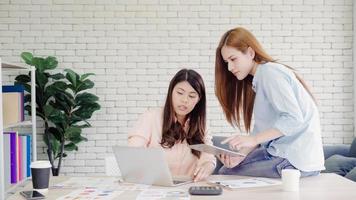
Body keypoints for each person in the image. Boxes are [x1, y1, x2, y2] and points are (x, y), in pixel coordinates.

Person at [214, 27, 325, 178]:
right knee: (227, 170)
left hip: (293, 161)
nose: (229, 67)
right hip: (297, 160)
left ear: (250, 53)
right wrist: (240, 155)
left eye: (233, 59)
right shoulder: (261, 79)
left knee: (225, 175)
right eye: (227, 62)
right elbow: (261, 131)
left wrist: (252, 140)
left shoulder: (269, 73)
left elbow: (293, 119)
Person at [128, 69, 216, 182]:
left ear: (199, 100)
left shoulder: (201, 125)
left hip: (188, 187)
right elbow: (133, 153)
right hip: (155, 186)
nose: (185, 100)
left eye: (192, 96)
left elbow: (208, 157)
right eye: (180, 93)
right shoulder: (150, 118)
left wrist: (207, 166)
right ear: (171, 92)